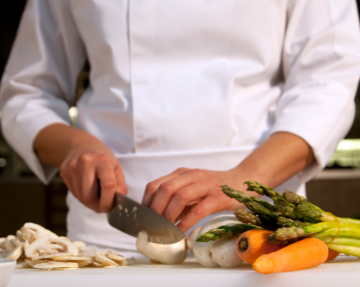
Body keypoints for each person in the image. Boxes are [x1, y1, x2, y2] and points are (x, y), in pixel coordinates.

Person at [1, 0, 360, 254]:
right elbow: (26, 92)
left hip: (258, 222)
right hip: (113, 227)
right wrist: (74, 146)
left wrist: (245, 178)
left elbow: (327, 81)